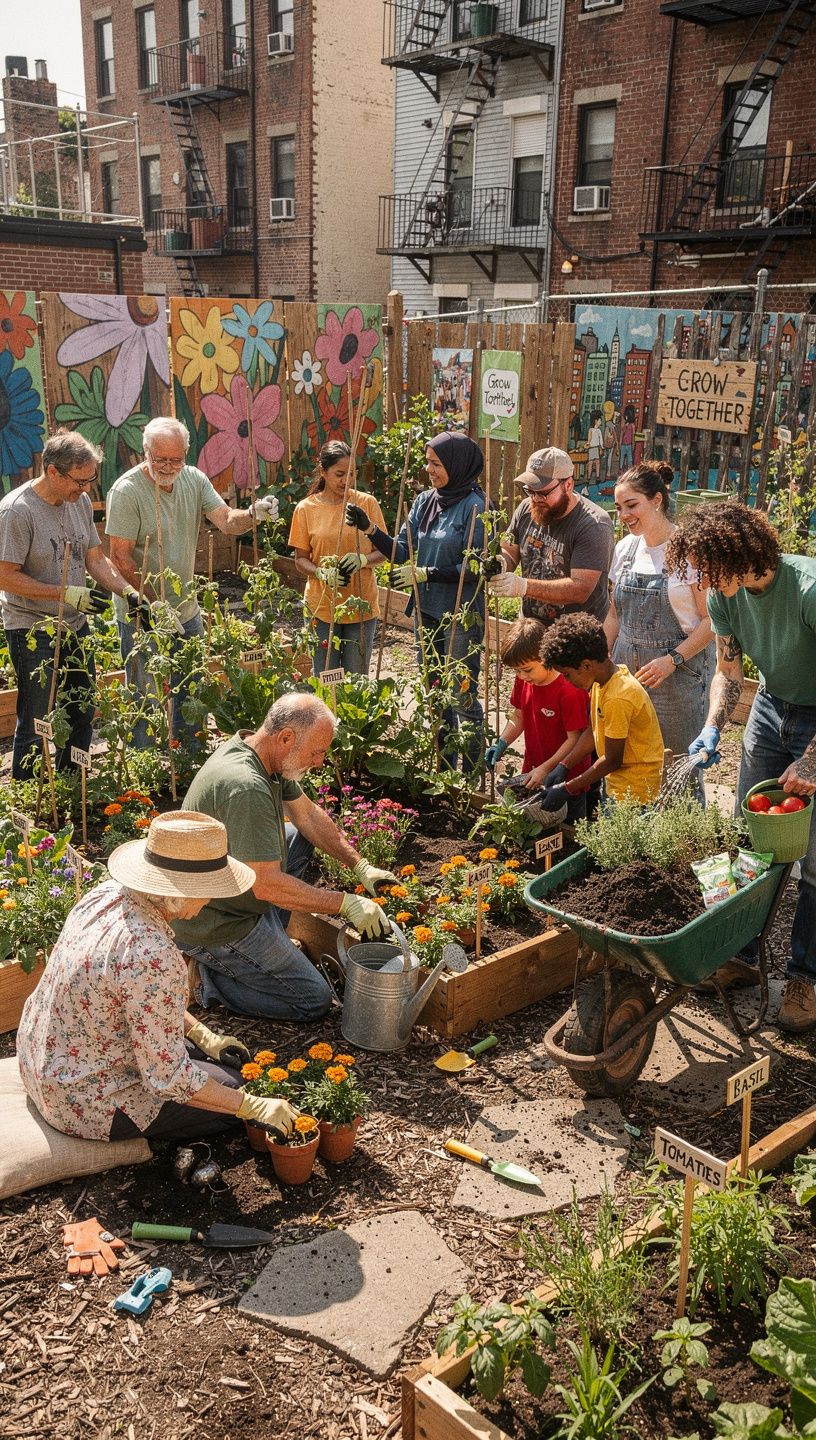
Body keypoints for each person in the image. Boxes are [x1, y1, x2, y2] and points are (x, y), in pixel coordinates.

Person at [16, 811, 298, 1143]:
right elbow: (168, 1078)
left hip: (39, 1060)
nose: (211, 900)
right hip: (81, 1101)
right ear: (177, 892)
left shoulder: (105, 895)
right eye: (207, 889)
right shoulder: (152, 954)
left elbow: (139, 998)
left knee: (203, 1062)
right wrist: (252, 1106)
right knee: (230, 1090)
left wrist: (202, 1034)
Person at [667, 503, 816, 1033]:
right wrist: (711, 726)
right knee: (748, 838)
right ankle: (742, 955)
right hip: (772, 708)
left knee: (813, 859)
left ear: (744, 555)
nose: (704, 583)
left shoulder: (807, 589)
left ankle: (805, 979)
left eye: (710, 570)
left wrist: (812, 758)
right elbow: (728, 673)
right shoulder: (724, 596)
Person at [173, 693, 394, 1021]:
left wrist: (360, 865)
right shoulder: (247, 787)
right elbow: (265, 886)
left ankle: (270, 936)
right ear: (286, 737)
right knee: (312, 1000)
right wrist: (345, 904)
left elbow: (308, 817)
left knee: (298, 838)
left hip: (235, 891)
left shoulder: (261, 754)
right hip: (214, 922)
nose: (320, 762)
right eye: (316, 752)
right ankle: (206, 981)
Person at [106, 416, 278, 746]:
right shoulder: (127, 492)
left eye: (177, 458)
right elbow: (120, 558)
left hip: (186, 610)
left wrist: (253, 513)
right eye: (161, 459)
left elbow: (227, 521)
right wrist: (154, 602)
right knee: (146, 695)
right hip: (141, 612)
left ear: (186, 452)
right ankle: (148, 766)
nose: (169, 466)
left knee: (192, 685)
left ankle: (190, 755)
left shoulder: (194, 480)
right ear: (145, 452)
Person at [0, 430, 145, 779]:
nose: (86, 490)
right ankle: (27, 789)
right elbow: (5, 576)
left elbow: (95, 560)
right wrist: (63, 592)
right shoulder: (17, 512)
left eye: (91, 480)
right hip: (32, 627)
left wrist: (129, 592)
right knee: (38, 715)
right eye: (80, 481)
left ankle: (73, 782)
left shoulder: (77, 504)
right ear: (53, 472)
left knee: (82, 707)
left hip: (75, 625)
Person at [345, 431, 486, 773]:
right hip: (427, 611)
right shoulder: (426, 501)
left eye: (436, 464)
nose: (429, 470)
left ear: (456, 465)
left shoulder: (477, 507)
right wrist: (369, 528)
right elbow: (402, 549)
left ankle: (470, 773)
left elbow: (477, 566)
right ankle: (443, 769)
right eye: (427, 462)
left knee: (461, 695)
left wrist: (425, 574)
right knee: (435, 693)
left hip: (461, 616)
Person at [604, 461, 714, 781]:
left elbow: (711, 622)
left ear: (656, 500)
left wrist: (672, 659)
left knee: (677, 773)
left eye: (632, 505)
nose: (624, 515)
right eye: (619, 507)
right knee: (629, 765)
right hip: (627, 674)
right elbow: (614, 614)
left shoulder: (690, 552)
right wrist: (599, 659)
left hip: (676, 678)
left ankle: (679, 832)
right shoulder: (624, 549)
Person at [536, 612, 665, 808]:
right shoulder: (602, 681)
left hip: (636, 795)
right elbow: (594, 729)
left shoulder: (618, 697)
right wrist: (565, 765)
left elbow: (612, 761)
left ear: (586, 665)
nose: (566, 680)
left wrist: (567, 789)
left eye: (567, 674)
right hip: (619, 786)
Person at [486, 447, 613, 632]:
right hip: (533, 628)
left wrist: (523, 586)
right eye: (530, 491)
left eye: (543, 493)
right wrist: (501, 563)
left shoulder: (593, 525)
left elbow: (581, 589)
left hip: (576, 636)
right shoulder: (526, 509)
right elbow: (509, 550)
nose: (536, 498)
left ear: (568, 485)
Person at [289, 440, 386, 677]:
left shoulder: (366, 504)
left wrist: (363, 560)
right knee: (327, 676)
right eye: (340, 474)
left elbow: (384, 550)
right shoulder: (306, 509)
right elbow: (300, 559)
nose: (347, 480)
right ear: (323, 471)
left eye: (352, 473)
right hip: (322, 607)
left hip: (361, 604)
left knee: (355, 679)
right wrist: (322, 573)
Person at [486, 616, 592, 823]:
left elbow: (575, 739)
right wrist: (502, 742)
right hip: (534, 772)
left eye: (526, 670)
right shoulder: (524, 680)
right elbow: (519, 716)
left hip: (568, 780)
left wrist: (547, 768)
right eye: (516, 670)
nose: (521, 676)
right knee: (534, 827)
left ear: (546, 658)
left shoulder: (569, 689)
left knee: (569, 830)